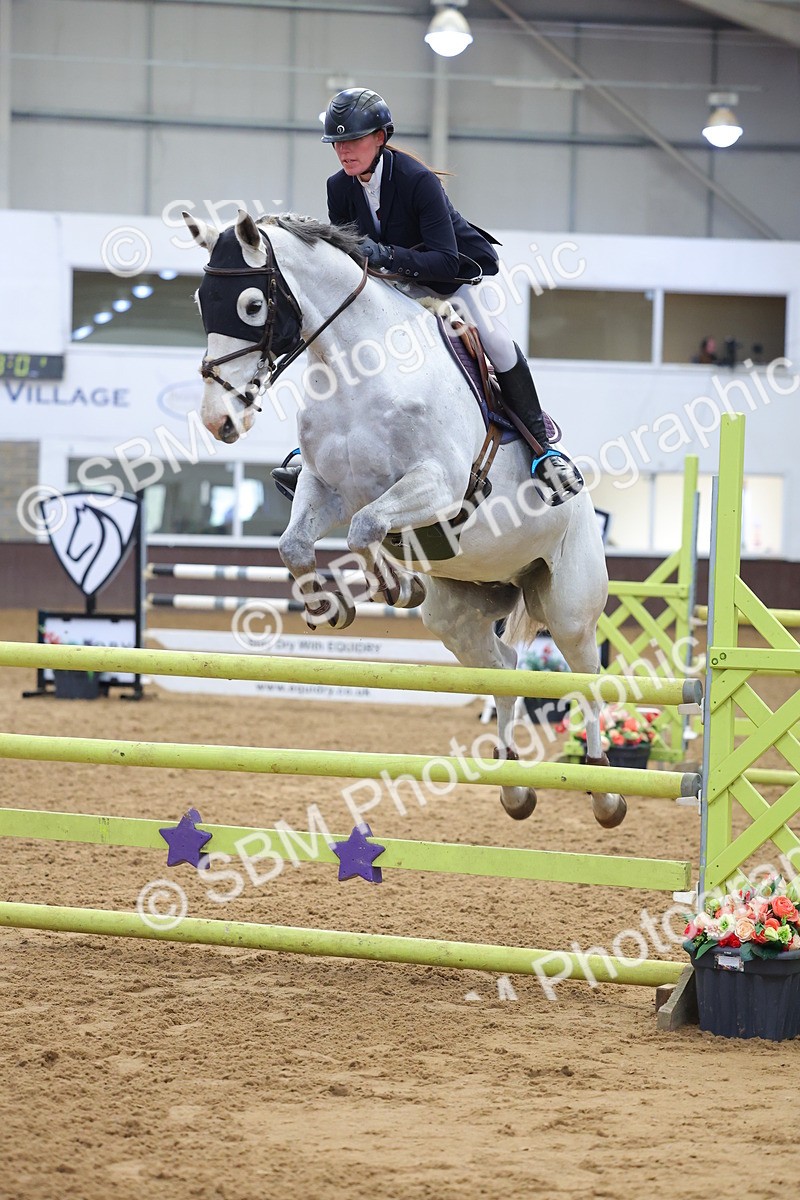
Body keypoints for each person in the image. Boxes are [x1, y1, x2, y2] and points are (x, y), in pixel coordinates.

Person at [273, 87, 583, 506]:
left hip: (452, 280)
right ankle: (314, 452)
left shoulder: (416, 180)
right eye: (338, 144)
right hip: (394, 285)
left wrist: (383, 255)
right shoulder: (338, 187)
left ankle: (544, 451)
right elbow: (352, 258)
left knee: (495, 341)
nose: (345, 151)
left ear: (381, 137)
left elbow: (444, 259)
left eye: (354, 141)